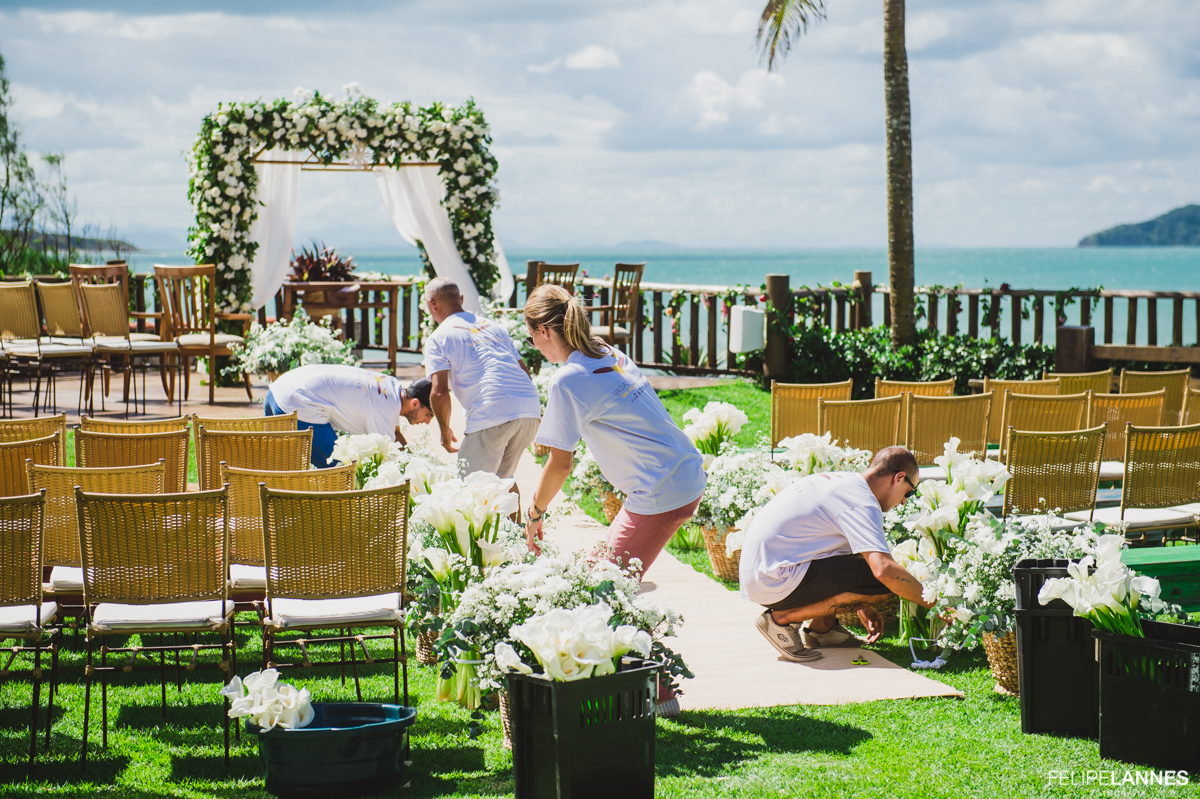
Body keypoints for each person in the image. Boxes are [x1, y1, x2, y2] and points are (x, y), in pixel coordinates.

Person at [521, 284, 707, 577]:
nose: (534, 344)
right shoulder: (606, 352)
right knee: (596, 576)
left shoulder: (567, 379)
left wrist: (534, 513)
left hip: (660, 488)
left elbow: (560, 464)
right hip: (683, 469)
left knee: (603, 588)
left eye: (530, 337)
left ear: (543, 331)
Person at [739, 447, 933, 662]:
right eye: (909, 492)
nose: (904, 501)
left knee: (864, 565)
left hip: (763, 571)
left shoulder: (846, 483)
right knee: (883, 583)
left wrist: (864, 604)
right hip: (774, 579)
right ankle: (781, 620)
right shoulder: (862, 502)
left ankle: (823, 628)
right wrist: (938, 605)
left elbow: (847, 557)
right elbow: (883, 570)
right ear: (899, 477)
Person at [423, 276, 541, 479]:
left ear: (432, 304)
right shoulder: (495, 328)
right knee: (503, 482)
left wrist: (444, 430)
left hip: (491, 412)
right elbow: (524, 372)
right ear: (461, 299)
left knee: (470, 488)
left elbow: (439, 392)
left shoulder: (438, 338)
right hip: (529, 410)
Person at [264, 364, 434, 468]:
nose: (426, 422)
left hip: (276, 391)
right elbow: (390, 458)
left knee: (277, 466)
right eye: (428, 415)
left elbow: (396, 435)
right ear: (415, 403)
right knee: (340, 471)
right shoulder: (386, 408)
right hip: (296, 404)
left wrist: (416, 462)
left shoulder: (391, 387)